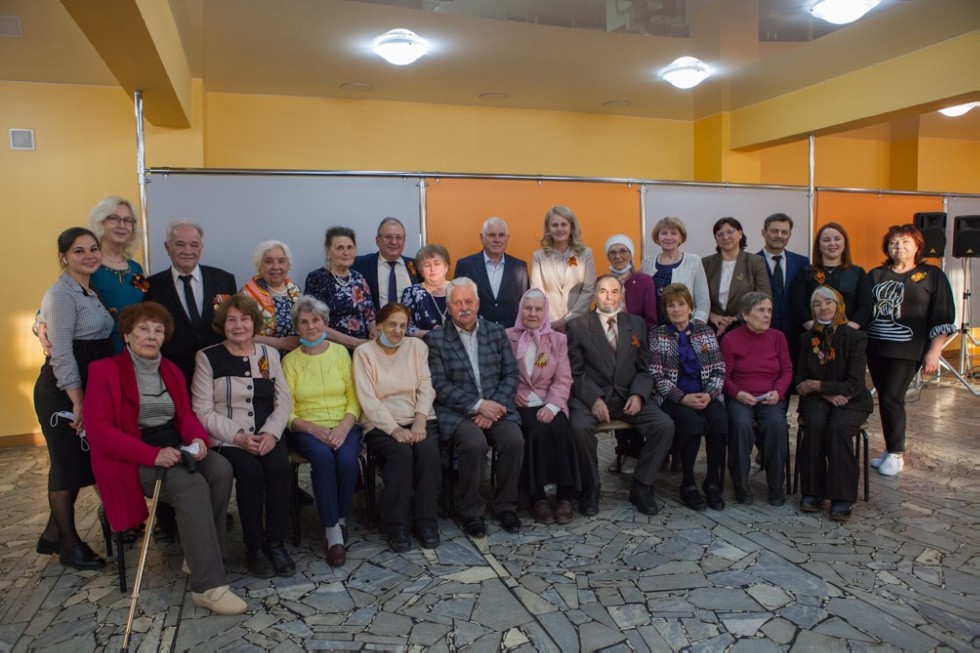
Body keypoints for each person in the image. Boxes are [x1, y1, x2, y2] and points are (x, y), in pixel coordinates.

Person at [85, 303, 245, 615]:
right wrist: (152, 455)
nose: (151, 335)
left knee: (220, 468)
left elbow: (184, 416)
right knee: (190, 485)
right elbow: (99, 432)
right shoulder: (105, 371)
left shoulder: (169, 369)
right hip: (132, 457)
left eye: (158, 330)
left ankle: (198, 553)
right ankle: (208, 586)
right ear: (128, 334)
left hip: (172, 447)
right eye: (144, 329)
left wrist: (198, 439)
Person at [192, 295, 295, 578]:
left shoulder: (269, 354)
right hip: (227, 438)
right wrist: (237, 437)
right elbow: (201, 410)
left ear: (255, 323)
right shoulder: (208, 357)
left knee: (278, 469)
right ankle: (255, 548)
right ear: (222, 325)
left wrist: (272, 434)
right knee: (250, 474)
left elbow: (283, 402)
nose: (239, 325)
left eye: (245, 319)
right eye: (232, 320)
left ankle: (276, 543)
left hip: (266, 434)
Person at [33, 227, 114, 570]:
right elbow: (62, 353)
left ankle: (53, 535)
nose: (89, 255)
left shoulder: (86, 290)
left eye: (93, 249)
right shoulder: (62, 294)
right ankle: (70, 546)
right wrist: (77, 401)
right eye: (79, 251)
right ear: (63, 257)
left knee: (78, 464)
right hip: (63, 390)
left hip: (83, 386)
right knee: (66, 467)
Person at [567, 275, 674, 516]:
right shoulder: (577, 326)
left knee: (664, 425)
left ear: (622, 296)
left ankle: (641, 486)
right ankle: (590, 488)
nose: (608, 296)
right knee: (578, 427)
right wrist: (594, 399)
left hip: (628, 397)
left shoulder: (635, 324)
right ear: (595, 295)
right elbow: (575, 371)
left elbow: (645, 370)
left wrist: (638, 395)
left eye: (614, 291)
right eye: (603, 291)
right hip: (592, 398)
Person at [427, 277, 524, 538]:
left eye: (468, 301)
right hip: (458, 412)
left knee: (513, 440)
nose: (464, 307)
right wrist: (478, 406)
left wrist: (495, 407)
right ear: (448, 307)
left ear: (478, 303)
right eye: (457, 303)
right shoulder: (436, 339)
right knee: (474, 445)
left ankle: (506, 506)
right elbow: (439, 384)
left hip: (497, 407)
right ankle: (472, 512)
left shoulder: (496, 331)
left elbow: (512, 374)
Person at [866, 224, 955, 477]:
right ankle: (889, 448)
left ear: (917, 245)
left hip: (909, 348)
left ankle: (896, 454)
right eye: (894, 242)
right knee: (885, 397)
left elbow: (942, 314)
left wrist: (934, 351)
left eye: (905, 242)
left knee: (892, 396)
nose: (899, 247)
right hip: (876, 346)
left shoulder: (932, 275)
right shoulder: (875, 274)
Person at [353, 303, 441, 551]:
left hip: (419, 417)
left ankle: (426, 521)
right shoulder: (365, 353)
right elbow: (368, 400)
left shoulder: (417, 347)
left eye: (403, 325)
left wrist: (421, 420)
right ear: (379, 325)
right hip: (381, 423)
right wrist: (395, 430)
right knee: (400, 455)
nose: (398, 330)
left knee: (428, 453)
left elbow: (426, 386)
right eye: (392, 324)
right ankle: (397, 524)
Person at [282, 296, 362, 567]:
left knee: (348, 459)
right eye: (304, 322)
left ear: (325, 323)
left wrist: (343, 426)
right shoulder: (290, 361)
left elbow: (355, 397)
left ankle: (339, 518)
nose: (311, 326)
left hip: (344, 423)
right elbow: (287, 409)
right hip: (307, 427)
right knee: (324, 459)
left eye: (316, 320)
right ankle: (333, 535)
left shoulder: (341, 353)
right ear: (297, 327)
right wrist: (312, 428)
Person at [795, 286, 873, 521]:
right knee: (816, 426)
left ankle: (842, 497)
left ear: (838, 305)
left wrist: (818, 386)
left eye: (828, 302)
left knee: (838, 429)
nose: (823, 307)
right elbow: (800, 380)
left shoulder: (856, 337)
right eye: (817, 303)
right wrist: (824, 392)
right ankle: (813, 492)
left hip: (852, 399)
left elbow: (855, 383)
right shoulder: (807, 338)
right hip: (819, 400)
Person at [648, 283, 727, 512]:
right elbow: (656, 376)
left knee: (719, 423)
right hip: (674, 398)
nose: (676, 309)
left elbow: (719, 369)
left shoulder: (705, 332)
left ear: (690, 308)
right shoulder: (657, 335)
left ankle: (712, 482)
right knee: (691, 424)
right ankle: (688, 483)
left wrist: (709, 395)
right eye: (670, 305)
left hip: (704, 394)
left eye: (681, 304)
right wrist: (682, 398)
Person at [505, 289, 579, 524]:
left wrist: (552, 406)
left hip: (550, 400)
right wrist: (511, 392)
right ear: (520, 310)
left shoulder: (558, 339)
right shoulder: (507, 337)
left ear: (545, 312)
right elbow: (499, 373)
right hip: (521, 403)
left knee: (561, 429)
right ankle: (537, 497)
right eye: (528, 308)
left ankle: (565, 495)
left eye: (538, 309)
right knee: (533, 431)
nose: (533, 313)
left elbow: (563, 378)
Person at [720, 292, 792, 506]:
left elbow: (787, 371)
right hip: (741, 396)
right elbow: (724, 376)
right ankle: (741, 486)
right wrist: (738, 394)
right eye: (761, 310)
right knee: (741, 425)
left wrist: (778, 392)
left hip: (770, 396)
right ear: (745, 314)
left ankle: (776, 486)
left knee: (776, 425)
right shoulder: (731, 339)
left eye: (769, 310)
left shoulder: (778, 337)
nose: (767, 315)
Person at [145, 220, 238, 385]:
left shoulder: (225, 280)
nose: (188, 251)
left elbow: (233, 322)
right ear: (167, 247)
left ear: (201, 247)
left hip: (219, 370)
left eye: (194, 245)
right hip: (173, 373)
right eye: (180, 244)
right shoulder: (150, 285)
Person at [87, 196, 148, 352]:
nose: (122, 225)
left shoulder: (135, 270)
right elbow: (62, 295)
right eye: (114, 219)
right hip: (98, 352)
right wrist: (40, 321)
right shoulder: (88, 265)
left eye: (128, 221)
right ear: (100, 222)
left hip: (133, 352)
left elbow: (146, 301)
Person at [304, 226, 376, 349]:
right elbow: (315, 324)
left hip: (362, 350)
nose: (346, 253)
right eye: (340, 248)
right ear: (328, 251)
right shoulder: (317, 279)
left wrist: (375, 331)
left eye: (350, 247)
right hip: (332, 350)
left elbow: (370, 317)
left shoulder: (359, 278)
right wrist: (356, 343)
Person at [790, 222, 872, 332]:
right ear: (818, 246)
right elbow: (798, 303)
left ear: (845, 244)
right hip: (813, 335)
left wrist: (847, 332)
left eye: (837, 239)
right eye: (826, 240)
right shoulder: (806, 272)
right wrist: (815, 329)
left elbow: (865, 305)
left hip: (849, 337)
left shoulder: (857, 273)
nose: (832, 243)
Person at [529, 206, 597, 332]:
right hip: (549, 325)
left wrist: (568, 320)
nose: (559, 229)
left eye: (564, 224)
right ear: (548, 229)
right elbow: (537, 292)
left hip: (579, 324)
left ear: (571, 227)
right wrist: (551, 321)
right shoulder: (538, 257)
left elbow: (588, 290)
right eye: (555, 225)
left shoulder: (586, 255)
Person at [454, 217, 529, 328]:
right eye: (492, 235)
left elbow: (525, 304)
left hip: (510, 336)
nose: (497, 240)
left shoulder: (520, 267)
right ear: (482, 238)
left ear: (507, 238)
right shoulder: (465, 266)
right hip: (476, 334)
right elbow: (457, 304)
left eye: (501, 235)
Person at [702, 217, 772, 337]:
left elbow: (764, 297)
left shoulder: (755, 262)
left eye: (730, 232)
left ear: (740, 234)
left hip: (745, 327)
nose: (725, 237)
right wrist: (712, 316)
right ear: (716, 239)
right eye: (720, 234)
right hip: (711, 329)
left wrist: (735, 319)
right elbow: (696, 296)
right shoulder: (705, 263)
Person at [758, 213, 809, 364]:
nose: (779, 235)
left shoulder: (803, 263)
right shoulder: (751, 262)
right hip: (762, 335)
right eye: (774, 231)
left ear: (789, 235)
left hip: (796, 338)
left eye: (784, 232)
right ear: (764, 232)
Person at [640, 216, 709, 325]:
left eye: (673, 233)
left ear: (681, 238)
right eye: (664, 233)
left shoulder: (693, 261)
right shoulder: (646, 263)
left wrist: (697, 326)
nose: (668, 237)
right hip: (652, 327)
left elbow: (703, 299)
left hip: (684, 328)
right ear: (657, 238)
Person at [241, 240, 302, 353]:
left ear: (288, 265)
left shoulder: (295, 290)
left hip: (296, 358)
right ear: (259, 265)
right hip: (263, 357)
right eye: (268, 261)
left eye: (281, 261)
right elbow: (242, 334)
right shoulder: (247, 294)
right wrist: (280, 343)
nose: (276, 266)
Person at [352, 217, 419, 312]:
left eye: (399, 238)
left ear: (404, 241)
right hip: (376, 325)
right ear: (377, 240)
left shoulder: (416, 265)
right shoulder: (359, 264)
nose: (394, 242)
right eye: (388, 237)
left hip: (410, 325)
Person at [605, 234, 658, 330]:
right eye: (612, 252)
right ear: (608, 257)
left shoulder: (644, 281)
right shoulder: (602, 282)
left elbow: (650, 320)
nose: (618, 256)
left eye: (623, 251)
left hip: (636, 339)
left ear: (630, 254)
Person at [400, 243, 452, 336]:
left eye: (437, 264)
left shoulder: (460, 290)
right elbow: (403, 326)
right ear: (421, 270)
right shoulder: (411, 293)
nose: (432, 269)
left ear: (446, 267)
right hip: (423, 347)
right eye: (427, 265)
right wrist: (429, 334)